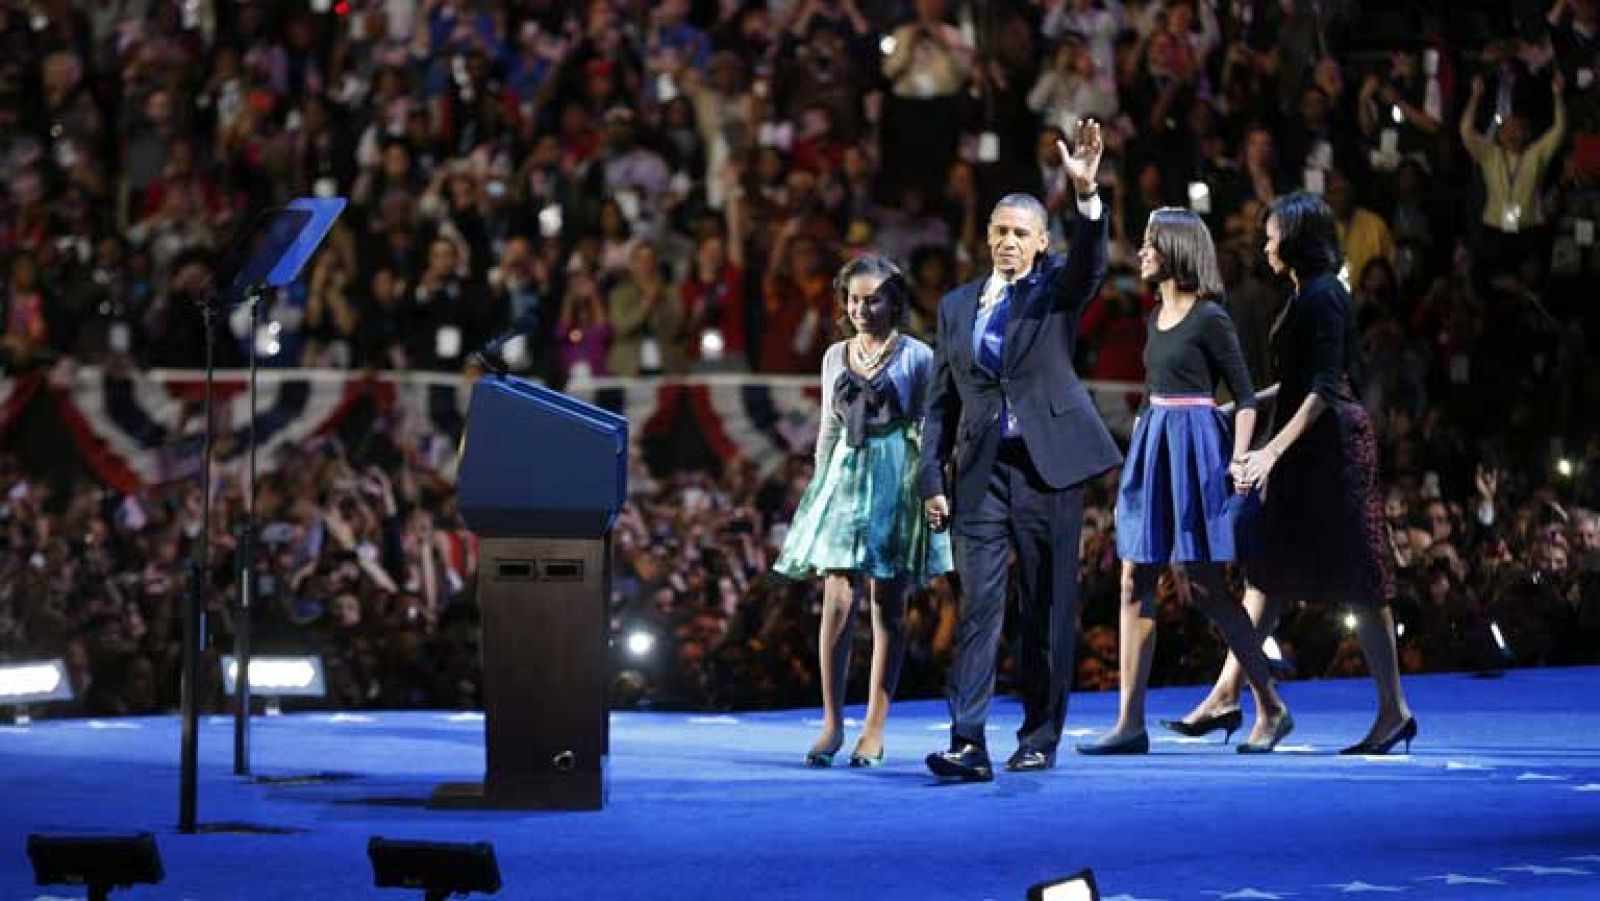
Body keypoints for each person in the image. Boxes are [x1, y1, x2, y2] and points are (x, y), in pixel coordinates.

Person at [919, 120, 1120, 782]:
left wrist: (1087, 197)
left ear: (1041, 242)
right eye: (999, 231)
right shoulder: (954, 306)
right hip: (978, 473)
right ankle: (967, 739)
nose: (1007, 241)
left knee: (1045, 606)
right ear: (988, 238)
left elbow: (1092, 261)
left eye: (1020, 233)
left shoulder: (1057, 286)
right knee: (978, 603)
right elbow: (941, 400)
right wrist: (930, 478)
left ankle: (1039, 735)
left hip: (1048, 467)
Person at [1076, 208, 1293, 756]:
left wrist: (1239, 460)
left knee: (1204, 587)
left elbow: (1245, 396)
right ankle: (1130, 722)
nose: (1141, 251)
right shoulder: (1154, 315)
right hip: (1154, 443)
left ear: (1175, 250)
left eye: (1150, 243)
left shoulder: (1209, 317)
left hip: (1195, 447)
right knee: (1134, 579)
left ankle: (1270, 704)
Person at [1227, 192, 1416, 755]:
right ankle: (1235, 698)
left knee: (1361, 579)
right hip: (1304, 448)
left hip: (1331, 449)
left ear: (1298, 239)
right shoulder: (1302, 294)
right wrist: (1244, 405)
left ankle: (1392, 711)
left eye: (1273, 233)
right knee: (1271, 574)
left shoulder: (1328, 294)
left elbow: (1323, 390)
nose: (1265, 243)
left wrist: (1270, 452)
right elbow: (1293, 386)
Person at [774, 254, 954, 768]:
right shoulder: (834, 356)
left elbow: (928, 429)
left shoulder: (919, 356)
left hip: (896, 474)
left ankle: (874, 725)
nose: (861, 308)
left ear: (895, 301)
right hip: (845, 477)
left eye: (872, 298)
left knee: (887, 606)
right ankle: (831, 723)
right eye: (854, 299)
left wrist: (931, 489)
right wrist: (818, 485)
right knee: (835, 602)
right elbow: (829, 428)